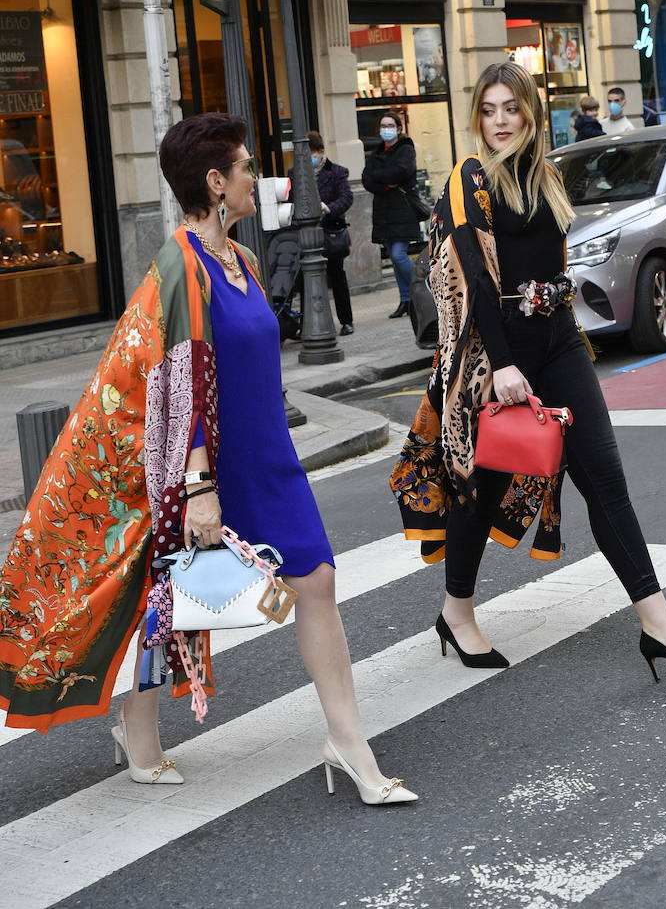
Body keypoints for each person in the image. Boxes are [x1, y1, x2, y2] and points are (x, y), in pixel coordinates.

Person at [0, 113, 415, 806]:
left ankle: (348, 743)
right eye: (247, 167)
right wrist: (197, 488)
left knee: (316, 584)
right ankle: (137, 721)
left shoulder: (243, 260)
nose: (258, 176)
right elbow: (175, 378)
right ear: (217, 182)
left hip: (268, 460)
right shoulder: (179, 265)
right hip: (211, 472)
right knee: (162, 600)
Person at [390, 62, 666, 682]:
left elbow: (555, 264)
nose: (498, 121)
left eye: (510, 109)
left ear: (531, 113)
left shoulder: (544, 175)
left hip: (559, 341)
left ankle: (659, 625)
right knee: (480, 490)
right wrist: (504, 365)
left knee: (605, 477)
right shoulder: (470, 177)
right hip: (497, 356)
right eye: (488, 110)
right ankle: (456, 610)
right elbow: (476, 280)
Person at [361, 110, 421, 319]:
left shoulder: (405, 149)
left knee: (398, 254)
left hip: (402, 209)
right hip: (384, 213)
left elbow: (401, 172)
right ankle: (405, 299)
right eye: (383, 126)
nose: (386, 130)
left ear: (398, 128)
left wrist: (380, 178)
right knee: (394, 259)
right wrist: (386, 183)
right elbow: (367, 179)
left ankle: (424, 287)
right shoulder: (376, 153)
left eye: (390, 126)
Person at [309, 129, 354, 336]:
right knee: (308, 279)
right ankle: (311, 323)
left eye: (313, 153)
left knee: (336, 276)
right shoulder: (296, 173)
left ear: (320, 151)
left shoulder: (337, 172)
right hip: (308, 235)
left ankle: (346, 321)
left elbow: (346, 198)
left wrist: (328, 207)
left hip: (331, 231)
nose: (310, 158)